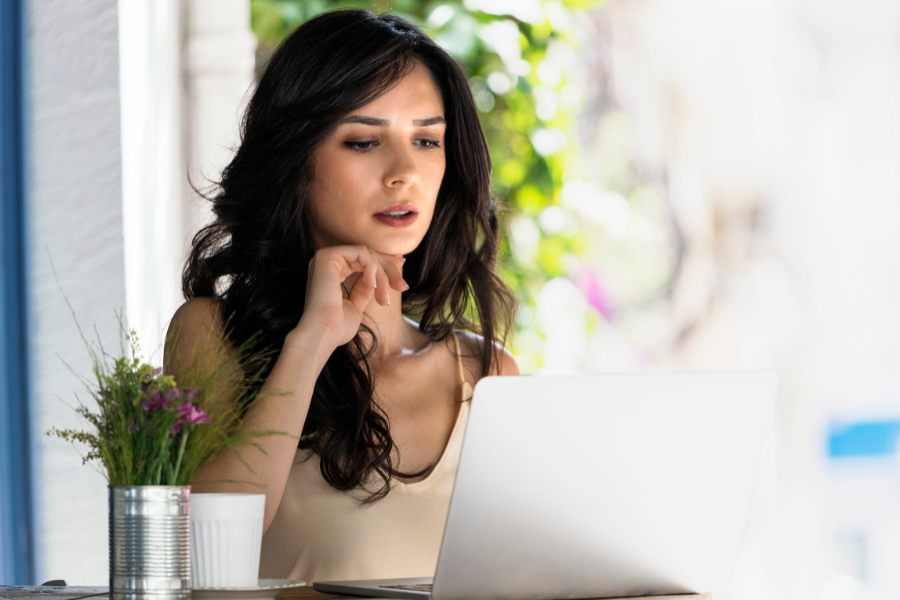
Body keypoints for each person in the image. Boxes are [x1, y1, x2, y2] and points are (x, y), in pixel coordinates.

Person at [164, 8, 519, 584]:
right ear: (295, 159)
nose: (405, 171)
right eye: (363, 142)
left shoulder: (485, 372)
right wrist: (311, 341)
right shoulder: (212, 335)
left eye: (427, 139)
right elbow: (204, 549)